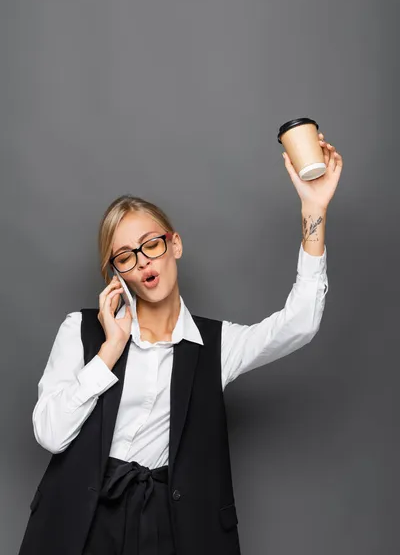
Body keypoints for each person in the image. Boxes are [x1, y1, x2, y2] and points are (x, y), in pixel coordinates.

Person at [18, 133, 343, 555]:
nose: (144, 260)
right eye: (125, 256)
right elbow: (49, 434)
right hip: (83, 521)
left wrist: (313, 210)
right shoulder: (80, 332)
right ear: (116, 275)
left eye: (151, 244)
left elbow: (300, 322)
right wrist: (109, 351)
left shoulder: (218, 345)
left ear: (175, 245)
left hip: (172, 527)